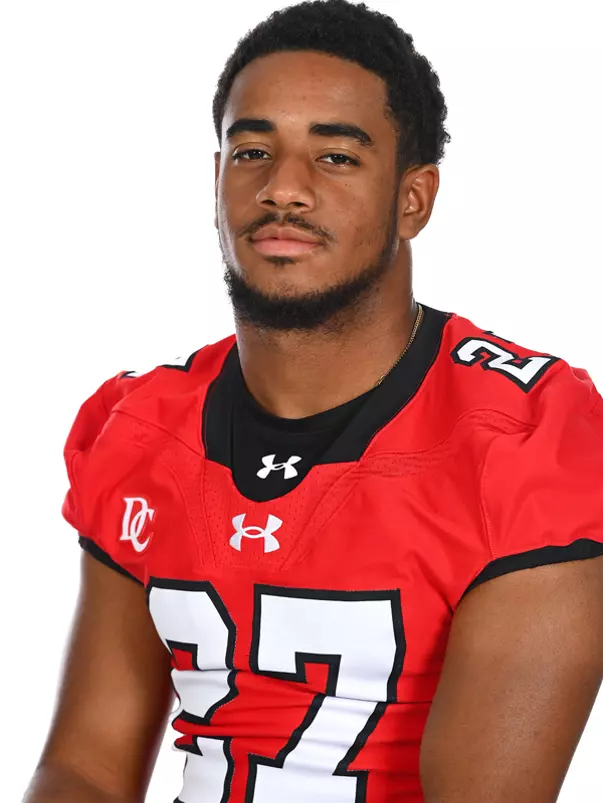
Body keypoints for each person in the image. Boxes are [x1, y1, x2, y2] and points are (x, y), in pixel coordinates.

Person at [23, 1, 603, 801]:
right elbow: (84, 765)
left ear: (413, 198)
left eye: (334, 156)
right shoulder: (143, 424)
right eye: (252, 149)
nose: (282, 189)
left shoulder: (523, 437)